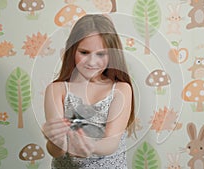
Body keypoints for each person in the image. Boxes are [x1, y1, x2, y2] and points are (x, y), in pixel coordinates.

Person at [42, 14, 135, 169]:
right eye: (84, 52)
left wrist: (89, 146)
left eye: (101, 54)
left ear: (111, 54)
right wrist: (56, 140)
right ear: (72, 51)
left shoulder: (121, 89)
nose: (92, 62)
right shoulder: (56, 90)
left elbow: (111, 143)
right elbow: (55, 151)